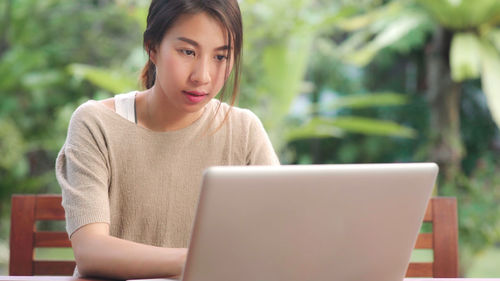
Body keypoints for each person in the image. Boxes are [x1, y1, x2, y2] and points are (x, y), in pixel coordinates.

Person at [55, 0, 279, 279]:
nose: (203, 76)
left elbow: (278, 239)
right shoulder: (96, 123)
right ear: (152, 47)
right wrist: (202, 259)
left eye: (220, 57)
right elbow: (91, 251)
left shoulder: (244, 130)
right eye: (187, 51)